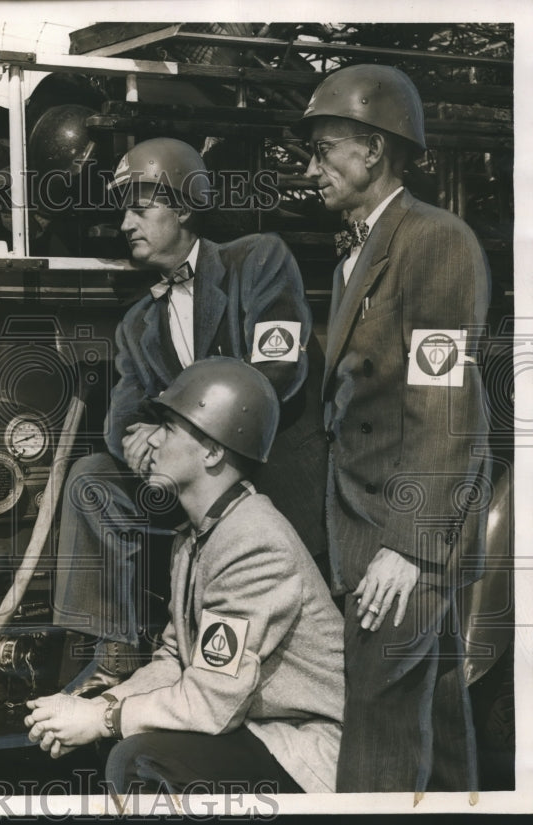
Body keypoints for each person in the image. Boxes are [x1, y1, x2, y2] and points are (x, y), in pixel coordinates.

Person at [51, 137, 326, 696]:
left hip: (269, 477)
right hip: (191, 487)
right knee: (91, 480)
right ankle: (116, 652)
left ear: (185, 207)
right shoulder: (136, 322)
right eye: (122, 209)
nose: (126, 223)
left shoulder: (258, 259)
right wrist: (141, 438)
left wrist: (184, 434)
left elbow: (278, 373)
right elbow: (123, 415)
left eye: (141, 206)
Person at [295, 64, 491, 792]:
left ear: (374, 150)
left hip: (404, 541)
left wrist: (406, 549)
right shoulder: (359, 252)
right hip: (369, 534)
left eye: (325, 150)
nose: (313, 169)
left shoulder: (435, 242)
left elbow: (446, 411)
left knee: (375, 742)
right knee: (433, 740)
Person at [26, 358, 344, 794]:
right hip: (250, 722)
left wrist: (100, 721)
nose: (151, 440)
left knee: (140, 759)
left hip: (301, 744)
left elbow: (210, 701)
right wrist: (100, 705)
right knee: (119, 742)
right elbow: (176, 661)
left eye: (170, 429)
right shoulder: (201, 535)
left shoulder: (253, 542)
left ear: (213, 451)